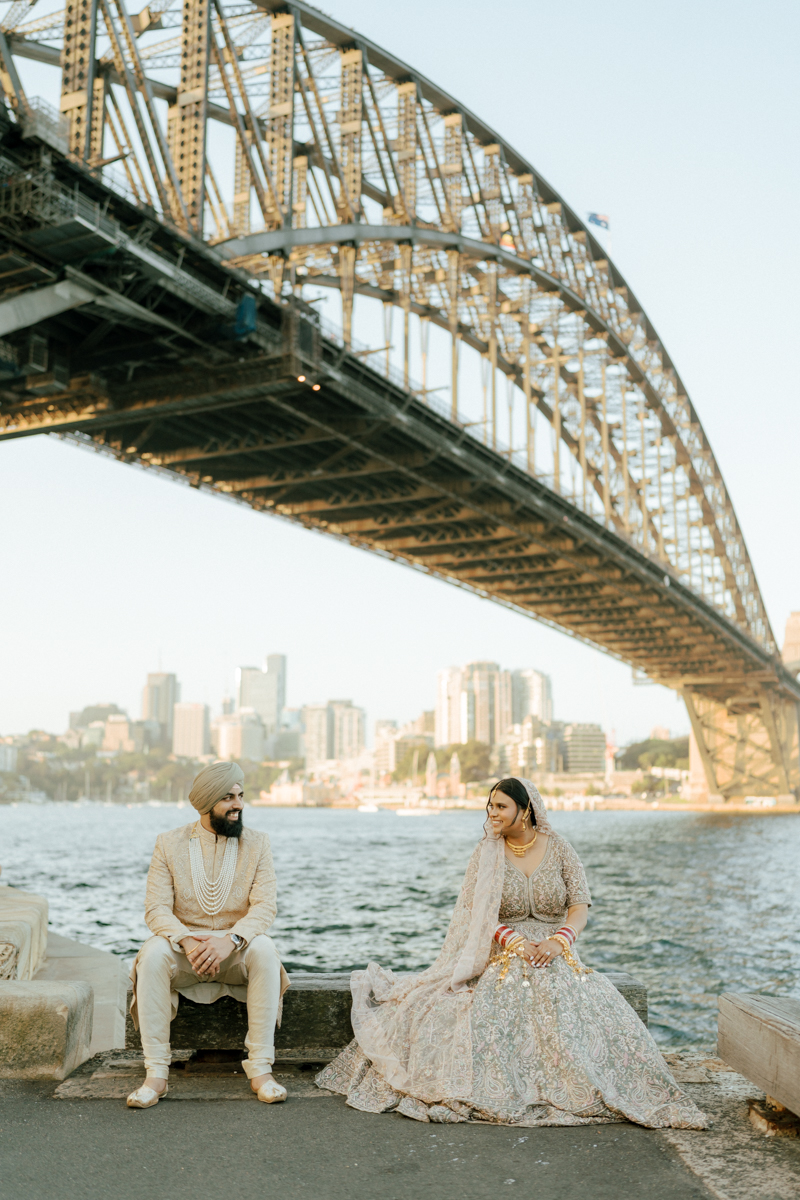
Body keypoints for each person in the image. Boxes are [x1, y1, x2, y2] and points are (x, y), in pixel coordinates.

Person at [317, 777, 709, 1128]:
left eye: (501, 806)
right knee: (506, 995)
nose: (493, 814)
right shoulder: (486, 853)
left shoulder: (559, 848)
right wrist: (515, 942)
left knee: (575, 996)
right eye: (490, 806)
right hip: (505, 949)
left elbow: (580, 905)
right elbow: (478, 913)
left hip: (557, 949)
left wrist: (560, 941)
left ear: (526, 811)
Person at [127, 761, 289, 1109]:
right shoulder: (169, 844)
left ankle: (261, 1070)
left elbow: (264, 908)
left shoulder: (258, 844)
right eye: (228, 797)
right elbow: (156, 909)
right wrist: (186, 940)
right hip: (185, 951)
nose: (239, 804)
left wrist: (229, 940)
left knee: (264, 949)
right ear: (206, 804)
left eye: (241, 795)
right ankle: (156, 1074)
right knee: (153, 953)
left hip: (235, 950)